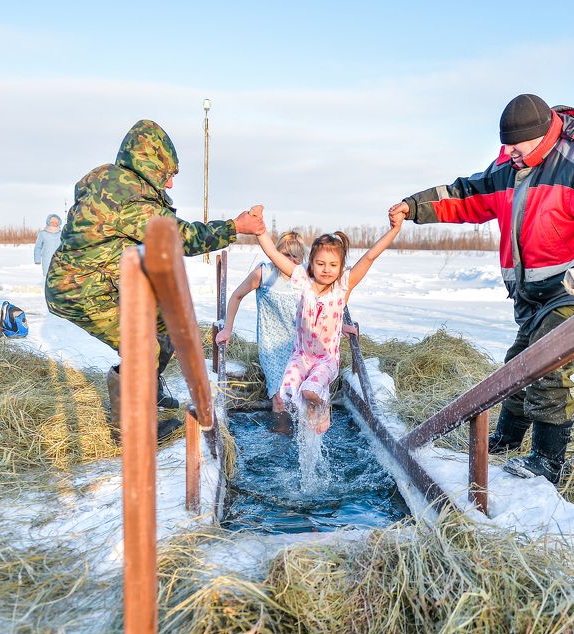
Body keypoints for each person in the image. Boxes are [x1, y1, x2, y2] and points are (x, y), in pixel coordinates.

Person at [389, 94, 574, 483]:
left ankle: (548, 462)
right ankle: (506, 438)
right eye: (506, 144)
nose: (510, 151)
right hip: (531, 293)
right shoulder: (509, 165)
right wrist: (414, 206)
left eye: (519, 144)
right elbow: (465, 195)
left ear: (544, 133)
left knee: (545, 363)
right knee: (517, 366)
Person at [45, 119, 266, 439]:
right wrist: (235, 227)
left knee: (163, 324)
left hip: (98, 281)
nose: (171, 185)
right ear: (147, 162)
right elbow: (175, 237)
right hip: (80, 288)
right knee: (144, 344)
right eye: (167, 175)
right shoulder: (125, 193)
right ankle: (132, 427)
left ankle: (149, 388)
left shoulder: (115, 182)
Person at [256, 219, 402, 434]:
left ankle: (323, 408)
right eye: (321, 264)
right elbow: (274, 256)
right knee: (286, 394)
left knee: (310, 391)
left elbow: (370, 256)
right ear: (310, 264)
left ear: (341, 267)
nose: (326, 270)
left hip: (326, 359)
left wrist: (395, 229)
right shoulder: (303, 281)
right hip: (300, 356)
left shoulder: (343, 286)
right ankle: (305, 422)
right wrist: (260, 231)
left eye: (333, 265)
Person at [215, 231, 306, 426]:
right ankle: (279, 440)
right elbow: (236, 296)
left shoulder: (305, 277)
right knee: (280, 399)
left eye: (294, 256)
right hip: (271, 346)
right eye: (284, 254)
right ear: (276, 253)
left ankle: (300, 441)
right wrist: (227, 329)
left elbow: (325, 304)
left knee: (300, 399)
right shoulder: (264, 273)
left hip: (299, 347)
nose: (288, 260)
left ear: (301, 259)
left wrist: (342, 327)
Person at [34, 214, 62, 278]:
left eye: (56, 222)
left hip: (59, 258)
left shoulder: (61, 233)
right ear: (48, 222)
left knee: (58, 275)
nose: (54, 224)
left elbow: (64, 246)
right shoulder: (43, 233)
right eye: (52, 222)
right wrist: (37, 259)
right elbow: (38, 247)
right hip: (47, 258)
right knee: (47, 275)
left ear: (59, 223)